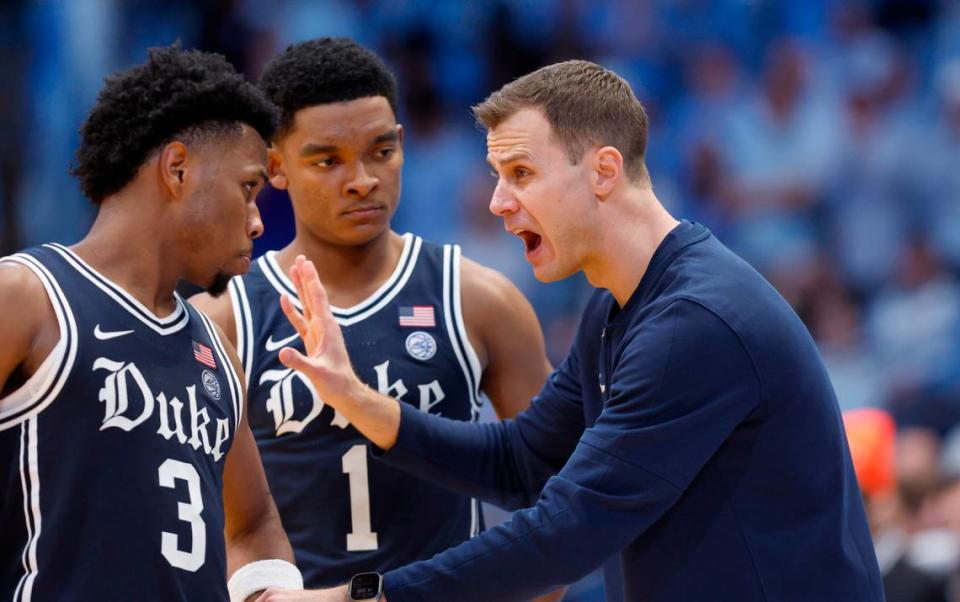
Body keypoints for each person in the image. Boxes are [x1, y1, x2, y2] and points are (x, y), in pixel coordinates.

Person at [257, 60, 885, 601]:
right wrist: (358, 401)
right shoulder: (619, 305)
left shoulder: (694, 323)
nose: (498, 201)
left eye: (521, 174)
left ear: (604, 170)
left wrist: (357, 595)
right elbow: (524, 461)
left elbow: (567, 532)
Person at [190, 37, 557, 599]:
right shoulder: (224, 319)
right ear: (275, 167)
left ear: (402, 146)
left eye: (380, 152)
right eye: (328, 160)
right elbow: (195, 523)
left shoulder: (479, 300)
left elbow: (552, 498)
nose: (361, 179)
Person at [0, 46, 304, 601]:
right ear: (177, 168)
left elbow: (255, 524)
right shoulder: (27, 295)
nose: (258, 222)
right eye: (248, 188)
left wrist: (270, 590)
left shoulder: (215, 347)